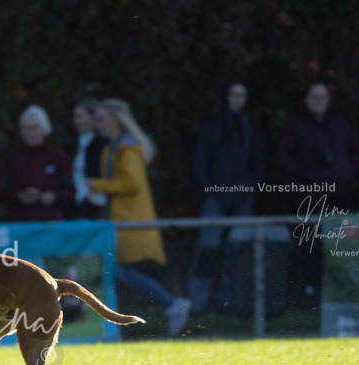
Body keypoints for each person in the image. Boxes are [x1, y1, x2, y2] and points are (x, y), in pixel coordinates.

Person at [87, 98, 191, 336]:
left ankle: (172, 304)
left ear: (116, 120)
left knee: (122, 272)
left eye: (101, 118)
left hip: (130, 223)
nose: (97, 123)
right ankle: (113, 324)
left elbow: (131, 184)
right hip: (120, 222)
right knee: (118, 272)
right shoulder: (113, 148)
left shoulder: (126, 148)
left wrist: (97, 185)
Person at [278, 82, 359, 304]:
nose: (318, 101)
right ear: (306, 100)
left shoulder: (340, 124)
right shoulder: (295, 125)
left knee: (340, 244)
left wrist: (347, 175)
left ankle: (342, 290)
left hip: (340, 194)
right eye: (313, 97)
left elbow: (356, 153)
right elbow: (285, 157)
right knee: (311, 246)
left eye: (322, 96)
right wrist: (307, 176)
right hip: (309, 196)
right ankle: (311, 292)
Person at [189, 80, 265, 312]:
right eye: (233, 95)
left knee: (238, 253)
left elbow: (258, 163)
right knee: (207, 251)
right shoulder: (211, 127)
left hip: (242, 199)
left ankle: (232, 302)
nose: (237, 100)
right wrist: (209, 191)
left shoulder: (251, 127)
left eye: (242, 95)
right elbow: (200, 162)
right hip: (215, 199)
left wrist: (251, 190)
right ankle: (196, 303)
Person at [0, 105, 74, 222]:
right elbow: (1, 191)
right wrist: (19, 197)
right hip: (21, 222)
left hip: (50, 222)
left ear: (44, 129)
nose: (30, 133)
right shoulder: (13, 157)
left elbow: (70, 190)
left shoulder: (57, 156)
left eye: (34, 128)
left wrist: (54, 197)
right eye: (26, 129)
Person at [69, 98, 109, 219]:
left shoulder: (103, 144)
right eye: (75, 117)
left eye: (80, 117)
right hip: (78, 204)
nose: (76, 121)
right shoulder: (73, 145)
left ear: (93, 117)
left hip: (99, 204)